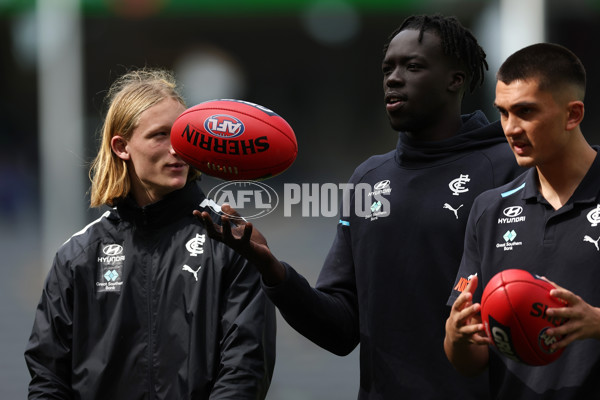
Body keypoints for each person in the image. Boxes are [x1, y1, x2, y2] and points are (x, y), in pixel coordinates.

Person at [197, 14, 523, 399]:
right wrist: (271, 268)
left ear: (456, 79)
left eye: (413, 66)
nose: (394, 78)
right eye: (388, 68)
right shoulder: (368, 178)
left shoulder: (508, 167)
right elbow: (340, 329)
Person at [24, 68, 276, 399]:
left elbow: (245, 369)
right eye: (160, 135)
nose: (177, 149)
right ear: (121, 147)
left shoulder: (231, 242)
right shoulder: (77, 256)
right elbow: (47, 378)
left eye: (183, 135)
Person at [444, 42, 600, 398]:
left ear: (572, 115)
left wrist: (596, 323)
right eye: (503, 113)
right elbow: (468, 362)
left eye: (525, 111)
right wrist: (457, 336)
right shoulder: (488, 210)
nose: (510, 128)